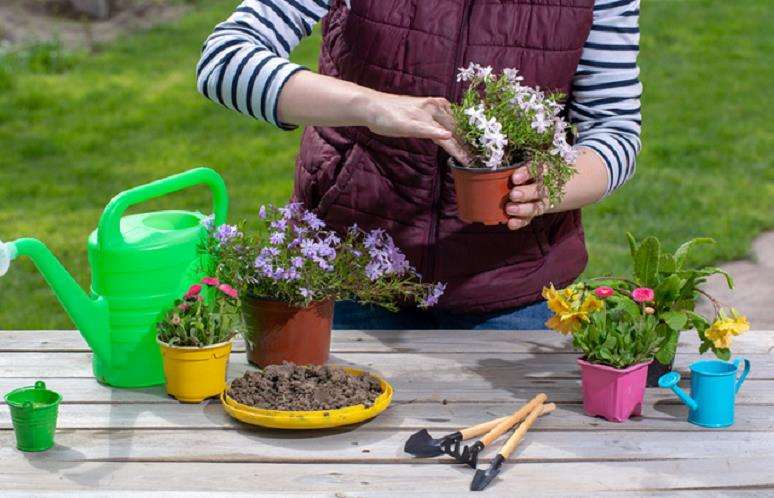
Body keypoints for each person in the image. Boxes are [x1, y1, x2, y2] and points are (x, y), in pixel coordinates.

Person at [196, 0, 642, 330]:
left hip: (514, 295)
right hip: (346, 281)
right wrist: (371, 107)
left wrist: (550, 187)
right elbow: (224, 61)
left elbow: (616, 128)